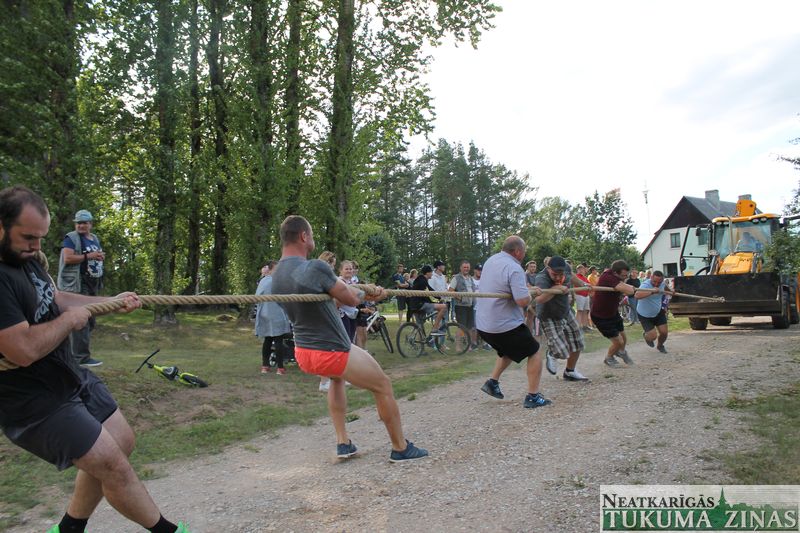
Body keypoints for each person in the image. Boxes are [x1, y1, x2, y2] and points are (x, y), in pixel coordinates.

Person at [0, 186, 190, 533]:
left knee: (122, 442)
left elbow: (54, 298)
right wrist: (70, 322)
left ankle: (69, 529)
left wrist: (109, 302)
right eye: (28, 237)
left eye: (41, 238)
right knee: (112, 465)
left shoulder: (25, 260)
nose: (36, 246)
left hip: (66, 375)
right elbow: (22, 350)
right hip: (32, 399)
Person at [271, 215, 427, 462]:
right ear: (303, 236)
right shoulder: (314, 267)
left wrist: (359, 292)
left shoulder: (277, 275)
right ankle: (400, 447)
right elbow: (352, 298)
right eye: (311, 235)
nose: (312, 239)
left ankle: (343, 443)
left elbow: (329, 299)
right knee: (383, 385)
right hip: (332, 350)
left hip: (304, 353)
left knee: (336, 380)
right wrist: (373, 294)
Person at [475, 236, 549, 409]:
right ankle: (533, 396)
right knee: (535, 351)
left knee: (510, 349)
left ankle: (492, 382)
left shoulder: (491, 260)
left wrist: (528, 289)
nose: (524, 254)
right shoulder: (514, 267)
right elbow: (522, 301)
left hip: (484, 325)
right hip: (503, 325)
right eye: (524, 251)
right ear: (517, 251)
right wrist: (532, 293)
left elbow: (504, 287)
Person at [56, 209, 105, 367]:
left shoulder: (94, 238)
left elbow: (94, 256)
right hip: (78, 283)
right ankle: (81, 358)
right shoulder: (71, 238)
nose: (81, 225)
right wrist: (90, 256)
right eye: (78, 223)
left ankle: (73, 353)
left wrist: (99, 257)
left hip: (92, 283)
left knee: (91, 320)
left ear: (90, 224)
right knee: (82, 320)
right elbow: (68, 258)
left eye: (84, 223)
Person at [535, 256, 591, 381]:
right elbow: (539, 299)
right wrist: (555, 289)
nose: (558, 278)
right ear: (548, 269)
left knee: (578, 342)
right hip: (548, 315)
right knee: (562, 352)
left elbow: (572, 276)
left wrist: (583, 284)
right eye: (555, 275)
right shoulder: (542, 278)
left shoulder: (566, 268)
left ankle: (570, 371)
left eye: (561, 275)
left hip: (565, 311)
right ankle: (551, 353)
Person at [590, 260, 638, 368]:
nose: (625, 277)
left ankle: (621, 352)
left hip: (612, 312)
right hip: (601, 316)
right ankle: (609, 358)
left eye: (626, 275)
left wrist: (627, 286)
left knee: (624, 339)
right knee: (618, 341)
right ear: (615, 273)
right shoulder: (607, 277)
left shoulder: (616, 278)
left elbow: (626, 288)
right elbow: (629, 291)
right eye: (623, 276)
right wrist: (629, 287)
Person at [255, 260, 293, 375]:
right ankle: (279, 367)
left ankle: (265, 366)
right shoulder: (276, 281)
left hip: (266, 313)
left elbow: (257, 297)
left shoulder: (264, 281)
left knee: (269, 340)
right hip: (274, 314)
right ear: (271, 269)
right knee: (277, 340)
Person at [635, 270, 671, 353]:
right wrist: (651, 291)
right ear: (651, 277)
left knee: (664, 333)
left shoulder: (662, 283)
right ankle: (646, 335)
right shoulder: (645, 285)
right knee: (653, 336)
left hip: (658, 312)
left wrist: (671, 291)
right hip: (644, 315)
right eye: (654, 281)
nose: (656, 284)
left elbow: (666, 288)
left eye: (659, 282)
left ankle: (660, 346)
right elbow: (637, 295)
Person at [407, 265, 447, 333]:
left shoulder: (422, 279)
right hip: (419, 304)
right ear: (427, 273)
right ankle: (435, 327)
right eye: (431, 272)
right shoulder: (422, 281)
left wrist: (439, 297)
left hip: (415, 305)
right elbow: (426, 296)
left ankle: (415, 338)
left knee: (420, 326)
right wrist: (435, 302)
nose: (432, 274)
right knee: (443, 307)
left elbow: (431, 291)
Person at [448, 260, 477, 350]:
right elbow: (450, 291)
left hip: (470, 306)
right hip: (460, 306)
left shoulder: (470, 278)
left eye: (467, 267)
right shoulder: (456, 278)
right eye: (464, 267)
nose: (466, 269)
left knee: (470, 327)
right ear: (460, 268)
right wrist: (460, 298)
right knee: (461, 327)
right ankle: (458, 347)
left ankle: (468, 346)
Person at [574, 263, 592, 331]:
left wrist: (588, 285)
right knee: (579, 311)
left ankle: (585, 326)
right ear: (577, 270)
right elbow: (580, 284)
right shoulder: (576, 276)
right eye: (579, 269)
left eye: (582, 269)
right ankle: (577, 327)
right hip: (579, 295)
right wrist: (587, 284)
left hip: (586, 295)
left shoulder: (584, 277)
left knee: (586, 311)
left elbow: (589, 284)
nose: (581, 271)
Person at [524, 260, 538, 332]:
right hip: (526, 298)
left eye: (534, 267)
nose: (533, 268)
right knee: (525, 316)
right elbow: (527, 286)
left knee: (530, 316)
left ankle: (529, 332)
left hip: (534, 298)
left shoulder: (536, 275)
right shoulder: (524, 275)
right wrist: (535, 287)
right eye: (531, 266)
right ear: (527, 267)